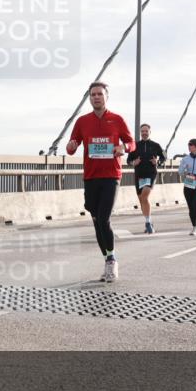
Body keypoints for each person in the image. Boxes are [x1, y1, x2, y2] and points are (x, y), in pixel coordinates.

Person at [67, 82, 134, 282]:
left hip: (112, 175)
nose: (96, 97)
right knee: (96, 222)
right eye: (93, 94)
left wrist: (124, 147)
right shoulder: (82, 121)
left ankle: (112, 261)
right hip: (90, 177)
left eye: (100, 94)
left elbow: (131, 142)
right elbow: (72, 146)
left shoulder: (117, 119)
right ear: (90, 98)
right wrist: (71, 145)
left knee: (104, 219)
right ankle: (107, 259)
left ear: (106, 97)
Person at [126, 123, 165, 234]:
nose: (144, 133)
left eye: (146, 131)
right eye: (142, 131)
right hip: (139, 175)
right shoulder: (135, 145)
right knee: (141, 200)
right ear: (140, 132)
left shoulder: (155, 145)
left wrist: (158, 162)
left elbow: (164, 157)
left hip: (151, 174)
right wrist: (134, 162)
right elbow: (128, 160)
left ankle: (148, 223)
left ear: (149, 132)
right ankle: (149, 220)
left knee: (145, 196)